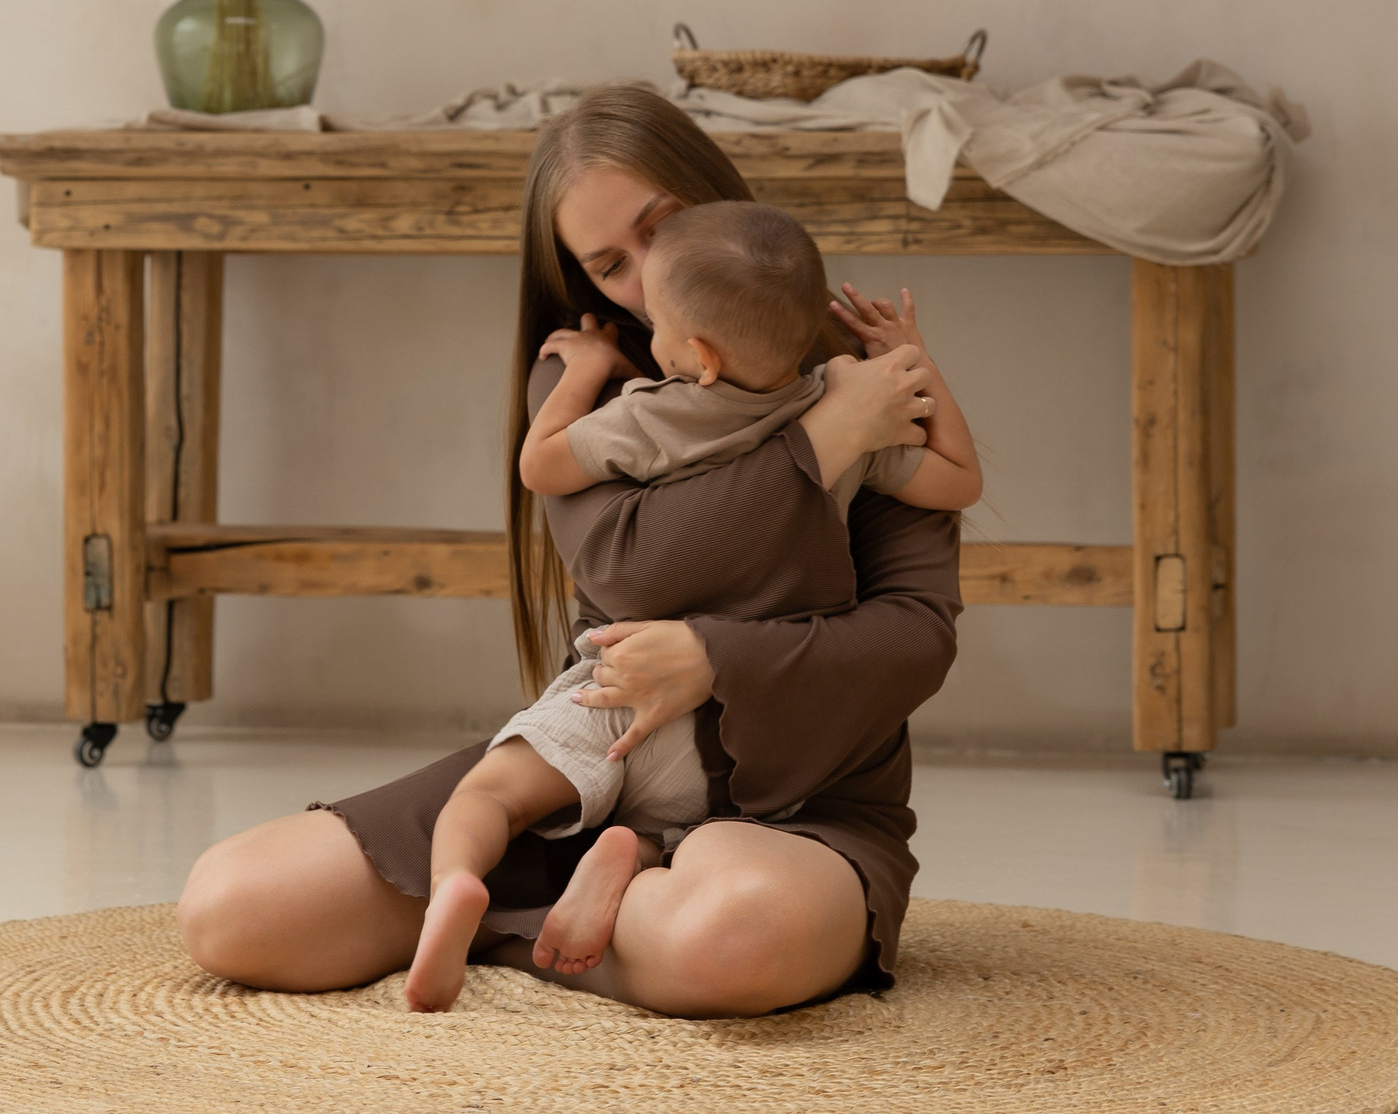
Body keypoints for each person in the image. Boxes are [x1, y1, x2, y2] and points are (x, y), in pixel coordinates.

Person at [176, 83, 964, 1018]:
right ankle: (595, 913)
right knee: (232, 911)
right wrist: (819, 446)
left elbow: (917, 635)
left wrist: (720, 659)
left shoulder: (849, 377)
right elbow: (635, 572)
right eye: (608, 263)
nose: (645, 274)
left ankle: (568, 914)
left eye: (662, 226)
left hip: (802, 805)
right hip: (602, 769)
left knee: (736, 935)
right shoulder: (587, 385)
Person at [401, 201, 981, 1010]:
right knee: (693, 823)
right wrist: (918, 363)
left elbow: (542, 466)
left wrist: (584, 369)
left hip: (622, 680)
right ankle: (639, 851)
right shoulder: (849, 408)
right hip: (738, 733)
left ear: (697, 357)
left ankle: (456, 887)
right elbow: (959, 480)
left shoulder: (651, 412)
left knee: (491, 793)